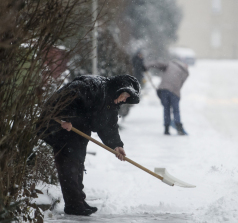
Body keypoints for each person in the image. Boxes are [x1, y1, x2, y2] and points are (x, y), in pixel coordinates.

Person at [37, 74, 140, 216]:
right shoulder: (93, 86)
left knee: (78, 161)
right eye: (125, 95)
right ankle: (74, 205)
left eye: (127, 98)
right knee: (69, 164)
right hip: (60, 125)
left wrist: (116, 145)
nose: (124, 100)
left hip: (79, 128)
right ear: (118, 89)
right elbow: (66, 97)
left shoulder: (111, 102)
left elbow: (109, 126)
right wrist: (64, 117)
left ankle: (78, 201)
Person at [147, 60, 189, 135]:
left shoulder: (171, 64)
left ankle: (166, 129)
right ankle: (179, 127)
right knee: (176, 110)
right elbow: (180, 84)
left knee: (166, 109)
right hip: (174, 92)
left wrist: (147, 66)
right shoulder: (185, 72)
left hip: (164, 89)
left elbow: (158, 64)